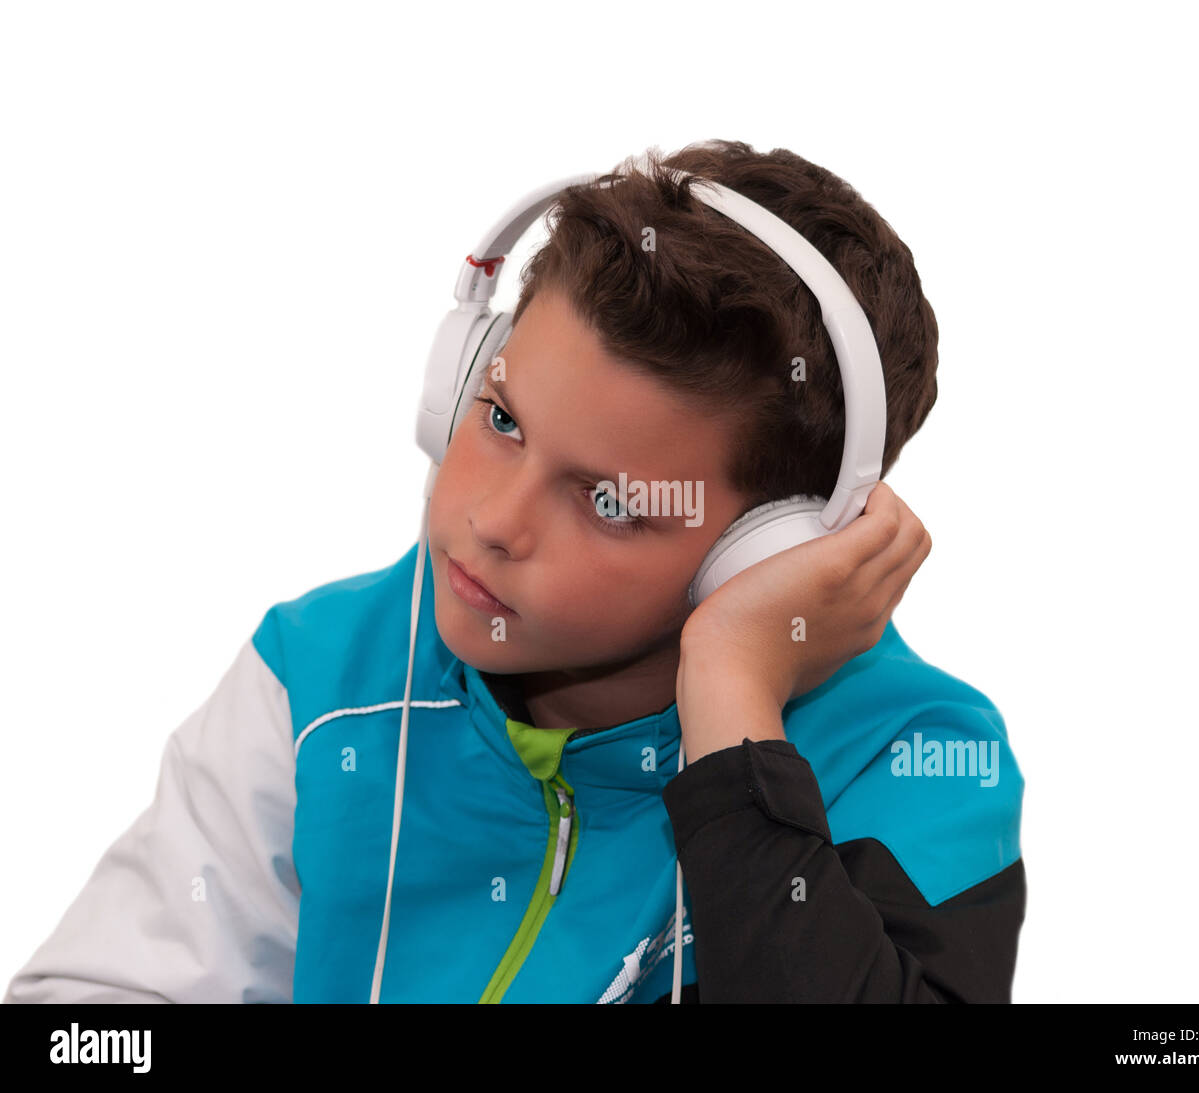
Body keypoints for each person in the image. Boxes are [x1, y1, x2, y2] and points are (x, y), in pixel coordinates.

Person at [4, 140, 1026, 1004]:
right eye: (499, 419)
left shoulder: (913, 760)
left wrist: (731, 702)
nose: (490, 520)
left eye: (608, 500)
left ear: (770, 555)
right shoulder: (324, 680)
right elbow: (99, 1008)